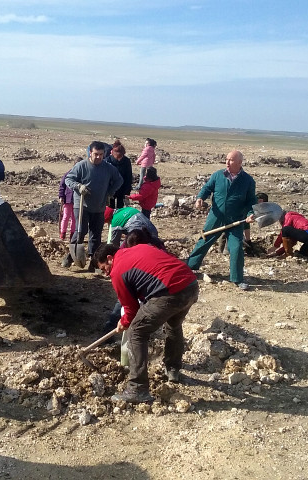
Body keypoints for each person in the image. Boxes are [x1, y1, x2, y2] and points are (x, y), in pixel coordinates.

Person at [94, 243, 199, 403]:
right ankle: (172, 369)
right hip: (190, 285)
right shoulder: (139, 248)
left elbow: (131, 308)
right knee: (173, 325)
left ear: (109, 258)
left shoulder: (118, 270)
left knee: (136, 332)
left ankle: (137, 388)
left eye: (103, 269)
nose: (106, 274)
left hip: (169, 292)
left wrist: (124, 322)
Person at [186, 150, 257, 290]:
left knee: (236, 247)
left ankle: (237, 278)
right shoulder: (218, 175)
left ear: (239, 163)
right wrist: (200, 198)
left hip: (236, 219)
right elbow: (207, 188)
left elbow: (251, 201)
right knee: (204, 240)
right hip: (216, 216)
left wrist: (250, 214)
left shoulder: (248, 181)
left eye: (231, 160)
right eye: (226, 159)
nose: (227, 162)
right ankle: (189, 268)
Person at [62, 141, 123, 267]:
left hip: (99, 206)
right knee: (81, 231)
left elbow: (119, 180)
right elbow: (69, 179)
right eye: (96, 154)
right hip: (82, 205)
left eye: (101, 154)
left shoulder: (108, 168)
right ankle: (70, 257)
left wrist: (109, 192)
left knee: (96, 235)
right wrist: (78, 186)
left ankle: (94, 262)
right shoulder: (81, 166)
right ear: (90, 152)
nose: (98, 157)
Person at [106, 140, 133, 209]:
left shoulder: (126, 161)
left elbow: (129, 177)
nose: (119, 159)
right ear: (113, 153)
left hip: (122, 188)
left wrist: (127, 191)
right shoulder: (107, 161)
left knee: (120, 207)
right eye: (117, 157)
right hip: (110, 188)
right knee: (110, 208)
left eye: (120, 157)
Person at [58, 162, 78, 240]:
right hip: (68, 199)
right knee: (66, 216)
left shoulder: (82, 175)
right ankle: (63, 233)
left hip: (77, 200)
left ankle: (72, 235)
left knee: (74, 218)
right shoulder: (68, 174)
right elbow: (62, 185)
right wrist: (61, 196)